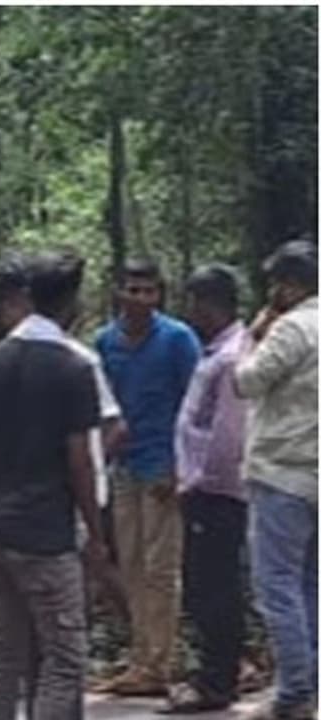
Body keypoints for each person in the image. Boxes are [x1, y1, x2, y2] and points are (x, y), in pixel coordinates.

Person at [0, 252, 110, 720]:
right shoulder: (73, 368)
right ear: (69, 304)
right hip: (46, 532)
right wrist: (96, 533)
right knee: (64, 658)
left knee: (8, 653)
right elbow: (80, 461)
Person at [95, 259, 201, 696]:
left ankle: (159, 662)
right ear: (119, 292)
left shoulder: (177, 339)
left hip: (164, 464)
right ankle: (143, 655)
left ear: (159, 295)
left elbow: (196, 406)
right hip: (124, 465)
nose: (140, 299)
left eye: (148, 291)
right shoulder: (105, 341)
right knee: (132, 564)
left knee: (161, 568)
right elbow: (101, 405)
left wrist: (181, 468)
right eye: (132, 290)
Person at [234, 240, 319, 720]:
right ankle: (310, 681)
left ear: (288, 285)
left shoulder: (291, 328)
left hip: (283, 473)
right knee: (310, 584)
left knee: (278, 587)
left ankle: (293, 694)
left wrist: (254, 336)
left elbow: (244, 382)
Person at [161, 264, 250, 714]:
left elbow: (227, 434)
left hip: (216, 491)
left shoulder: (233, 356)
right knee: (203, 583)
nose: (191, 311)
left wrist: (197, 481)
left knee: (213, 585)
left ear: (211, 304)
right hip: (204, 488)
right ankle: (216, 672)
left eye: (196, 301)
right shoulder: (216, 351)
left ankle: (218, 679)